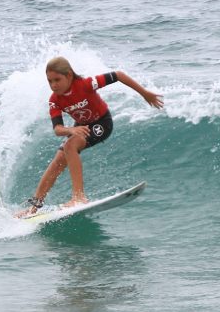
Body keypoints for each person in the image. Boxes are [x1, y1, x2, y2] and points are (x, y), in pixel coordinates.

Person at [16, 56, 163, 217]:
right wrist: (70, 130)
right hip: (80, 128)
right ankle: (34, 208)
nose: (53, 85)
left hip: (102, 123)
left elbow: (118, 75)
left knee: (70, 146)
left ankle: (79, 197)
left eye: (57, 79)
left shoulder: (86, 84)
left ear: (69, 75)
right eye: (50, 81)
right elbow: (57, 129)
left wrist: (145, 93)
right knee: (58, 160)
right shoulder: (55, 100)